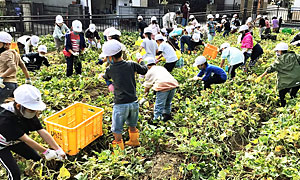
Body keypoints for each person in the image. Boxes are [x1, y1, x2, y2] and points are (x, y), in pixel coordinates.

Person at [0, 84, 66, 180]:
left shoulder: (26, 111)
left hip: (16, 141)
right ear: (18, 106)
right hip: (1, 146)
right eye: (32, 110)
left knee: (37, 159)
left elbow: (41, 130)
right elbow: (26, 139)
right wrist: (46, 151)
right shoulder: (4, 118)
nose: (34, 112)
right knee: (15, 174)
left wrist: (58, 149)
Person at [100, 40, 148, 150]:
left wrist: (109, 84)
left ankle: (119, 150)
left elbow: (106, 76)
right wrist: (141, 60)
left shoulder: (110, 69)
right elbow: (144, 70)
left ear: (111, 57)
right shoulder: (131, 64)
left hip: (120, 104)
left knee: (117, 128)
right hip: (133, 102)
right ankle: (134, 141)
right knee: (132, 124)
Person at [256, 42, 300, 107]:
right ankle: (293, 104)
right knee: (293, 94)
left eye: (277, 51)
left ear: (280, 51)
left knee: (282, 95)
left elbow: (270, 69)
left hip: (285, 83)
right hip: (297, 80)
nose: (276, 52)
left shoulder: (278, 60)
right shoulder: (296, 56)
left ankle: (283, 107)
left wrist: (261, 76)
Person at [0, 32, 31, 104]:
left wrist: (1, 77)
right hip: (13, 84)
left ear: (6, 44)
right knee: (11, 105)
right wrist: (28, 78)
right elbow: (23, 66)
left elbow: (13, 68)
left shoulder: (5, 54)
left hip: (4, 84)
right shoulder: (15, 53)